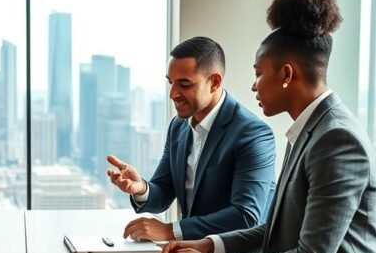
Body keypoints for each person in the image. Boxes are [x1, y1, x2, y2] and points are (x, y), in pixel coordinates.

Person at [161, 0, 376, 253]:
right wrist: (209, 246)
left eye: (258, 73)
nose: (252, 86)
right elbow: (277, 229)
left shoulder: (336, 139)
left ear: (286, 74)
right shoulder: (311, 131)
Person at [105, 37, 276, 242]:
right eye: (171, 82)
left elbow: (245, 217)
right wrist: (141, 188)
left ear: (214, 82)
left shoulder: (253, 133)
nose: (173, 94)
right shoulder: (178, 126)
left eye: (184, 84)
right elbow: (163, 193)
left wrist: (170, 231)